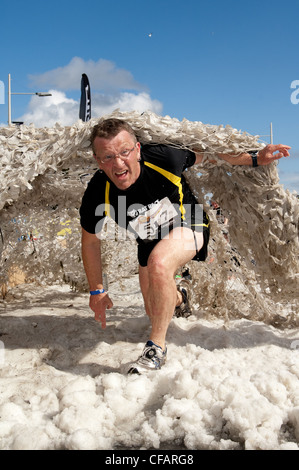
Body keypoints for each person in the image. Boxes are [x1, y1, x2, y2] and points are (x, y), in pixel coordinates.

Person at [80, 118, 290, 374]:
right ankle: (180, 296)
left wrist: (256, 157)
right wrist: (96, 291)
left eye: (124, 152)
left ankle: (156, 348)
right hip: (148, 240)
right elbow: (90, 241)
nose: (118, 163)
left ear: (137, 149)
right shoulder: (97, 191)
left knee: (159, 263)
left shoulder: (164, 158)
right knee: (155, 308)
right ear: (97, 160)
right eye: (108, 157)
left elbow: (212, 153)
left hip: (188, 223)